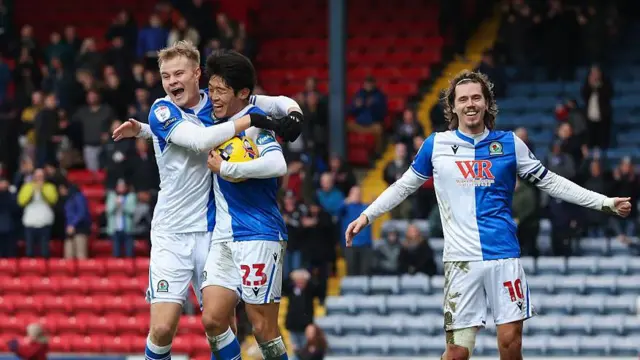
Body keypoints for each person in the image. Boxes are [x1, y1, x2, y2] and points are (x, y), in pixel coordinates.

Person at [345, 70, 632, 360]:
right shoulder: (436, 145)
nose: (470, 104)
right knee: (457, 353)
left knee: (510, 346)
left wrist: (604, 202)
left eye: (476, 98)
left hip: (503, 258)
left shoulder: (509, 144)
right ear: (453, 106)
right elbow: (404, 185)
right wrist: (367, 215)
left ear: (486, 103)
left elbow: (552, 181)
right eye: (463, 99)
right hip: (461, 263)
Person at [110, 41, 302, 360]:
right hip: (171, 232)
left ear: (197, 74)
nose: (172, 81)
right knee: (161, 329)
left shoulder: (217, 104)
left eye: (179, 73)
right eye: (165, 75)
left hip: (212, 231)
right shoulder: (162, 109)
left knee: (219, 321)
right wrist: (249, 121)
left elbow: (277, 102)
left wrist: (294, 113)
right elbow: (199, 141)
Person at [199, 49, 290, 360]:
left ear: (243, 94)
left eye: (221, 90)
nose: (213, 97)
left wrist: (229, 170)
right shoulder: (211, 122)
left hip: (258, 233)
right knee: (212, 319)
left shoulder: (256, 126)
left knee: (263, 327)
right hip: (222, 236)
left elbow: (278, 165)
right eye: (210, 89)